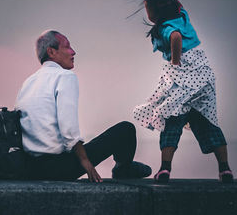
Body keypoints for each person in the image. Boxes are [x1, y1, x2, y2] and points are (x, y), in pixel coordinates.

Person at [133, 0, 233, 183]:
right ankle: (224, 168)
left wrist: (175, 62)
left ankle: (165, 169)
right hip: (203, 77)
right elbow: (176, 3)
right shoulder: (182, 15)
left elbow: (175, 37)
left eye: (147, 7)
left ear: (155, 11)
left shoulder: (166, 27)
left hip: (184, 77)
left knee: (172, 120)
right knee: (207, 121)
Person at [15, 30, 151, 182]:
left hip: (31, 168)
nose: (73, 51)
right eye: (67, 47)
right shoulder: (65, 76)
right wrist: (86, 162)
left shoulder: (28, 82)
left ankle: (125, 167)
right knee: (125, 130)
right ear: (51, 52)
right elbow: (68, 128)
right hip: (58, 168)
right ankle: (123, 169)